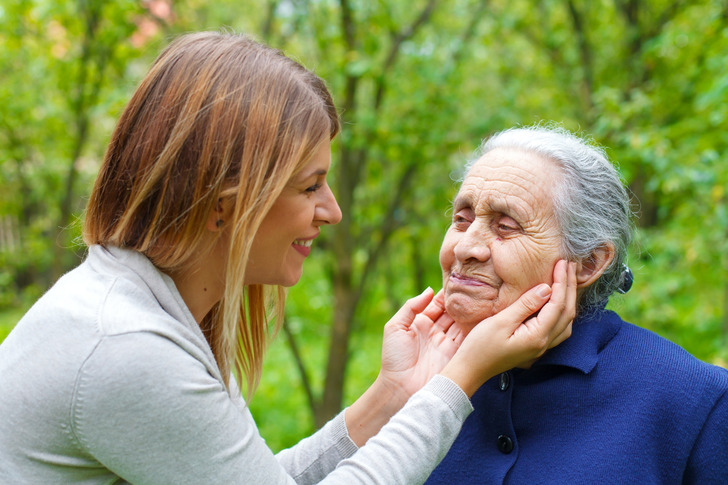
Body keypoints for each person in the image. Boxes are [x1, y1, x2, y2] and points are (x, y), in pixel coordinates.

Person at [0, 33, 577, 484]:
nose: (333, 211)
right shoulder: (128, 350)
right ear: (226, 206)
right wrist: (458, 380)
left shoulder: (144, 310)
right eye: (309, 187)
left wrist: (393, 396)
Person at [424, 124, 728, 484]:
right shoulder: (418, 376)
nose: (464, 247)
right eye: (462, 219)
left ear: (589, 263)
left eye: (505, 226)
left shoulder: (694, 399)